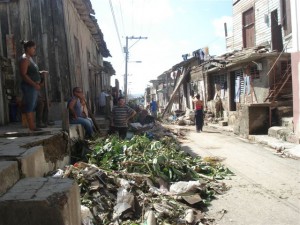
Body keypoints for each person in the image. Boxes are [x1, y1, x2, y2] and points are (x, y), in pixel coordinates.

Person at [19, 40, 48, 131]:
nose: (35, 50)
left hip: (33, 86)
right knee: (30, 106)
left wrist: (40, 72)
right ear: (28, 48)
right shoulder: (24, 59)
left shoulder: (30, 58)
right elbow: (23, 74)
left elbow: (31, 72)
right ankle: (32, 127)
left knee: (36, 103)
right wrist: (34, 84)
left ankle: (35, 125)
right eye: (33, 48)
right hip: (29, 86)